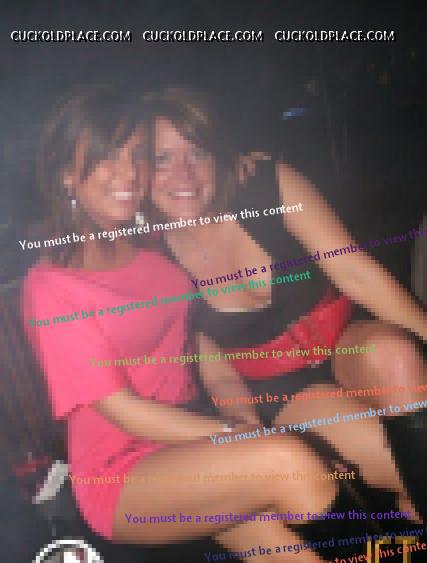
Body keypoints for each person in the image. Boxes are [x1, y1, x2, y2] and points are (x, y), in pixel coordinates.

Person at [22, 85, 367, 563]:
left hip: (191, 442)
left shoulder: (146, 240)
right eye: (106, 157)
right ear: (67, 172)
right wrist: (234, 436)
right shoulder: (53, 285)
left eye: (137, 156)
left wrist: (240, 415)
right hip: (125, 476)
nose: (129, 173)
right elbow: (122, 411)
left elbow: (194, 342)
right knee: (295, 466)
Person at [143, 87, 426, 532]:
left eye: (197, 152)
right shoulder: (147, 258)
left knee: (394, 354)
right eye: (162, 159)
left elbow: (355, 272)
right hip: (281, 390)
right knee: (407, 465)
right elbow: (206, 366)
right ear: (137, 170)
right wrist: (245, 430)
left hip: (348, 340)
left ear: (218, 152)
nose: (184, 173)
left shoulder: (266, 185)